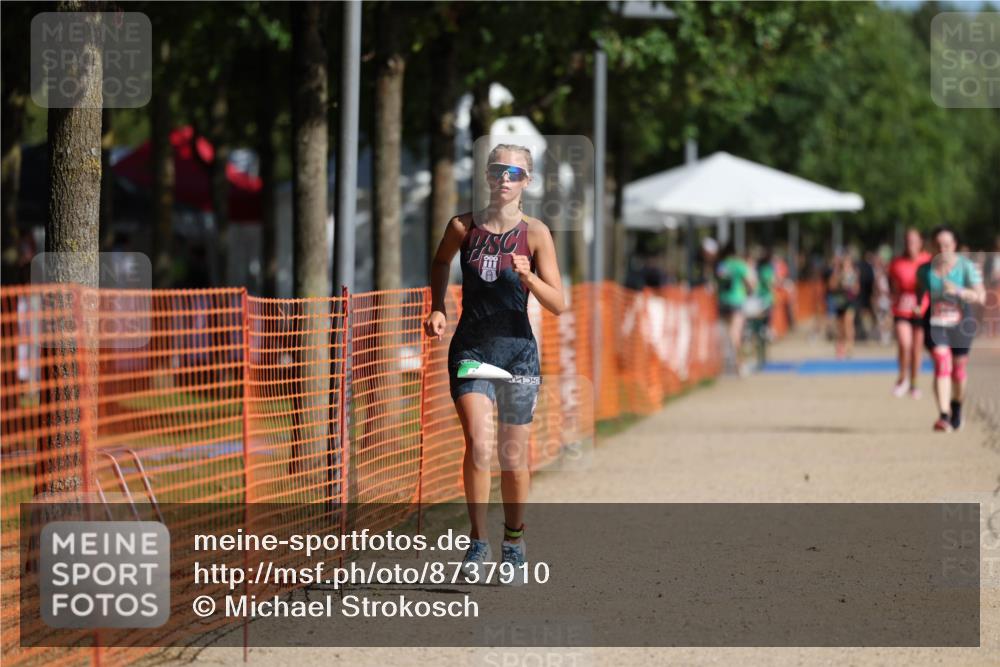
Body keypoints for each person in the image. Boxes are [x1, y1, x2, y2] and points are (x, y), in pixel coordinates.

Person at [424, 144, 565, 580]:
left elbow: (558, 303)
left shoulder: (537, 233)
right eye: (497, 170)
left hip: (518, 351)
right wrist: (438, 306)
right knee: (479, 443)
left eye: (514, 172)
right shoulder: (462, 226)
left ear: (527, 181)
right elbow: (440, 261)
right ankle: (477, 542)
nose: (504, 178)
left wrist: (530, 278)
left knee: (514, 455)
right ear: (486, 177)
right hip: (472, 349)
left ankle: (514, 540)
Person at [916, 226, 986, 432]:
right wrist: (919, 306)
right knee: (941, 362)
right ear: (931, 246)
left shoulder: (966, 267)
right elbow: (921, 295)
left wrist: (958, 290)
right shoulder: (924, 270)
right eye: (937, 245)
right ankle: (944, 416)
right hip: (935, 323)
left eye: (946, 244)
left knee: (958, 370)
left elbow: (980, 296)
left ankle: (956, 407)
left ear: (954, 245)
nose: (942, 248)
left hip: (961, 324)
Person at [887, 229, 931, 398]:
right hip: (902, 309)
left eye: (914, 241)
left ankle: (914, 383)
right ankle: (902, 379)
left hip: (922, 310)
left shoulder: (927, 260)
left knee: (916, 349)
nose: (910, 244)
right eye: (907, 241)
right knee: (905, 344)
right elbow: (892, 285)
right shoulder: (897, 262)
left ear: (920, 242)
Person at [714, 242, 756, 375]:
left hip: (722, 301)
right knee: (735, 333)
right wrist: (750, 291)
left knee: (725, 333)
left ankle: (726, 364)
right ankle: (739, 364)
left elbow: (718, 280)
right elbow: (751, 282)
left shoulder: (722, 265)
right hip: (737, 300)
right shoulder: (739, 264)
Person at [826, 252, 860, 358]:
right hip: (840, 301)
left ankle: (850, 346)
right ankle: (840, 346)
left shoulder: (854, 273)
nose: (846, 266)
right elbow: (831, 286)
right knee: (840, 326)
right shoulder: (837, 273)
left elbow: (857, 289)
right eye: (844, 263)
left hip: (850, 301)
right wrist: (839, 280)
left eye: (848, 263)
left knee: (848, 322)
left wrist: (851, 288)